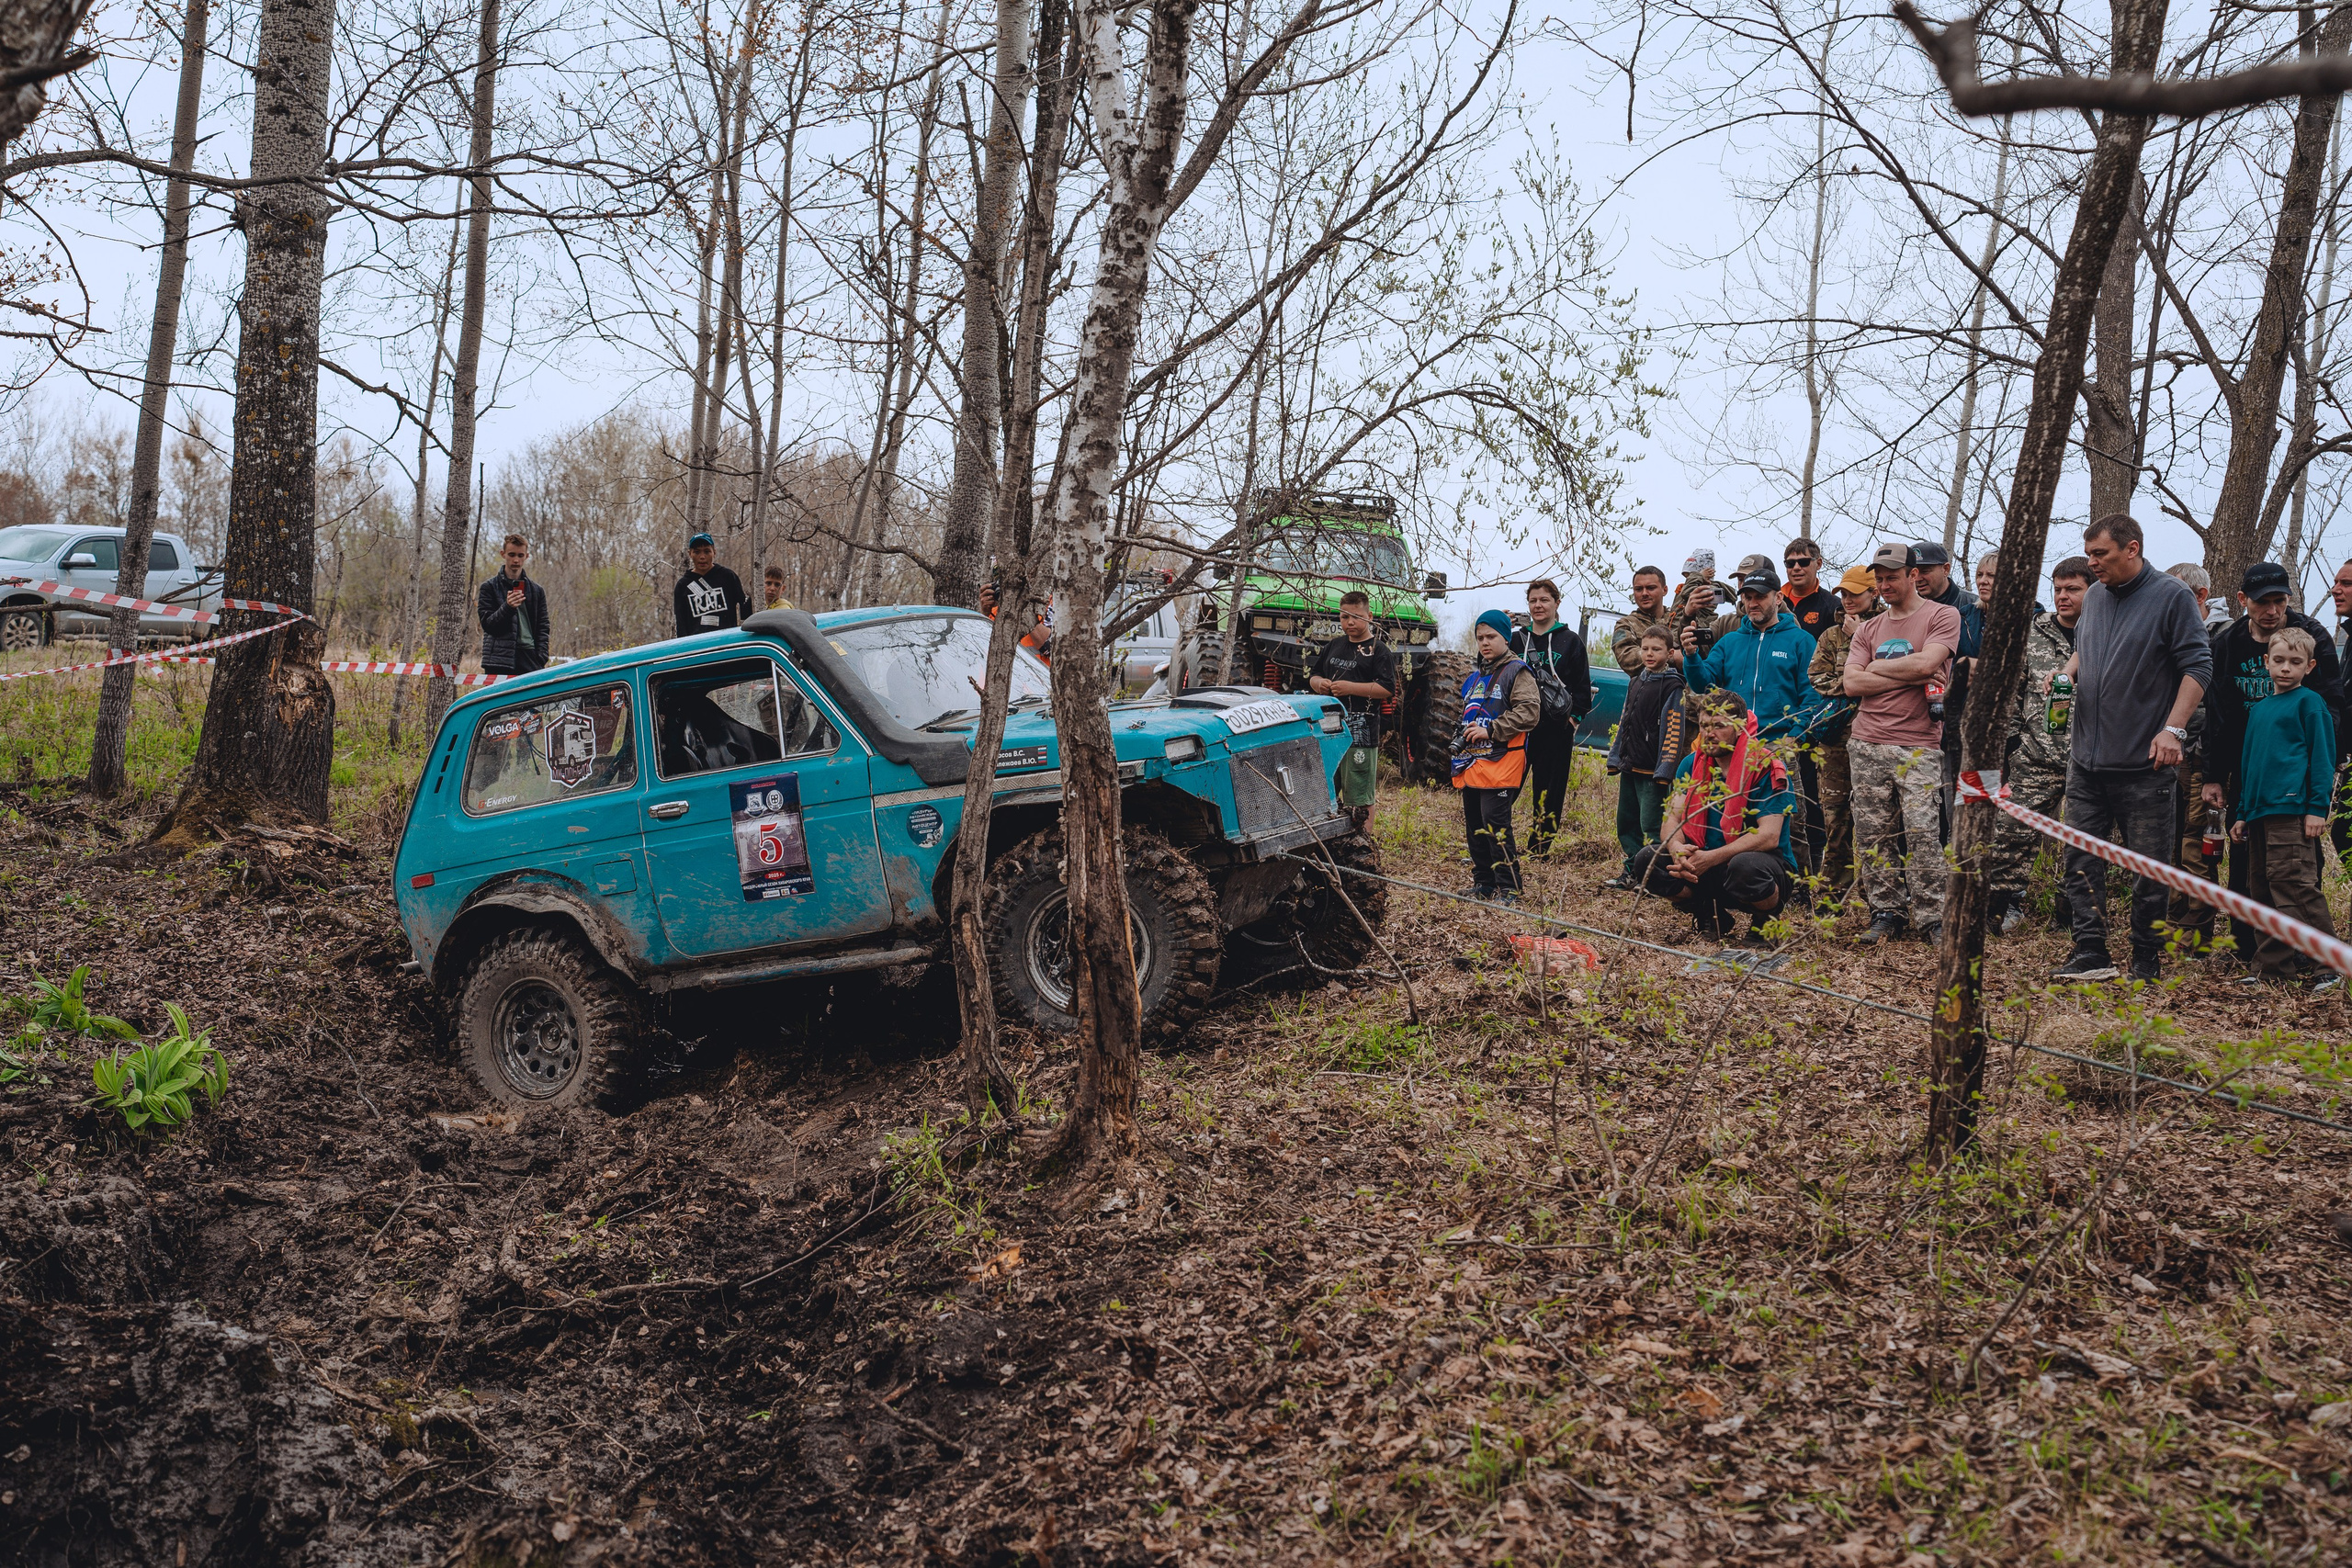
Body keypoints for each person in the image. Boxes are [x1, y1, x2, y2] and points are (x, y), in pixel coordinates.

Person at [2050, 513, 2213, 983]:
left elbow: (2198, 667)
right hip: (2086, 760)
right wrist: (2068, 671)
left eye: (2101, 554)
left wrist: (2173, 730)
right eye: (2090, 553)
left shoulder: (2172, 597)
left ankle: (2146, 958)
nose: (2092, 563)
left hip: (2144, 762)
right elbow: (2086, 645)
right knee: (2080, 858)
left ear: (2132, 549)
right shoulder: (2096, 596)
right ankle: (2091, 952)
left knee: (2149, 868)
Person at [2199, 561, 2346, 962]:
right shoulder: (2228, 643)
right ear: (2243, 600)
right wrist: (2215, 776)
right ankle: (2257, 955)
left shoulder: (2309, 637)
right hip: (2251, 778)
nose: (2272, 610)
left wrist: (2316, 784)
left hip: (2295, 780)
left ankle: (2315, 958)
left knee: (2298, 874)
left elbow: (2332, 707)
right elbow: (2220, 714)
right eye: (2263, 602)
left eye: (2279, 601)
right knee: (2251, 873)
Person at [1843, 543, 1963, 945]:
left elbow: (1930, 663)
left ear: (1913, 574)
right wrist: (1907, 673)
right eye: (1879, 578)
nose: (1884, 584)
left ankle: (1933, 917)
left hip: (1918, 744)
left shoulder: (1942, 615)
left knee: (1923, 832)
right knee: (1873, 834)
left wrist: (1878, 666)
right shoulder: (1868, 628)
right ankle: (1887, 913)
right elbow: (1851, 683)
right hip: (1867, 742)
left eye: (1892, 576)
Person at [1630, 690, 1799, 942]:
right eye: (1704, 725)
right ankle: (1710, 913)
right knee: (1648, 860)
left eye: (1719, 726)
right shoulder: (1691, 763)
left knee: (1746, 867)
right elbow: (1672, 820)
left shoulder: (1766, 766)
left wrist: (1710, 858)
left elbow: (1769, 836)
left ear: (1741, 727)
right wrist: (1676, 847)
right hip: (1703, 860)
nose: (1709, 733)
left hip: (1760, 865)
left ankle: (1765, 921)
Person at [2225, 626, 2341, 988]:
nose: (2286, 668)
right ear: (2266, 662)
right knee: (2262, 890)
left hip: (2293, 812)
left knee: (2295, 888)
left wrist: (2316, 809)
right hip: (2258, 814)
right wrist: (2242, 812)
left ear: (2309, 666)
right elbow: (2248, 765)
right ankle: (2273, 970)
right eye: (2279, 661)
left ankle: (2331, 965)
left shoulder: (2310, 703)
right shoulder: (2259, 710)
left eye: (2295, 662)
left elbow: (2323, 758)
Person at [1985, 558, 2090, 935]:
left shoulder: (2107, 633)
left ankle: (2070, 917)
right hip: (2036, 757)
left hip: (2090, 761)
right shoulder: (2032, 633)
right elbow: (2011, 693)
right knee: (2009, 832)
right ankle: (2000, 910)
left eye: (2073, 589)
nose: (2062, 597)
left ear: (2092, 591)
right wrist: (2013, 745)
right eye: (2058, 589)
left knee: (2082, 843)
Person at [1453, 609, 1541, 904]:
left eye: (1491, 636)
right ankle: (1484, 883)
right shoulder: (1477, 676)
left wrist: (1491, 729)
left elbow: (1529, 713)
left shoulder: (1518, 671)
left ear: (1506, 637)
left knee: (1495, 823)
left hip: (1504, 760)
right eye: (1480, 637)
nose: (1485, 642)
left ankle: (1509, 887)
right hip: (1473, 762)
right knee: (1475, 823)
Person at [1805, 564, 1879, 899]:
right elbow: (1817, 677)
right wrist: (1853, 685)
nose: (1848, 599)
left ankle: (1874, 891)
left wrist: (1859, 637)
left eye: (1855, 593)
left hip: (1876, 734)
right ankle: (1835, 890)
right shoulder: (1830, 635)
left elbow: (1895, 674)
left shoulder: (1886, 627)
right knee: (1835, 816)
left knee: (1874, 817)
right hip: (1835, 738)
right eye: (1844, 593)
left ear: (1873, 592)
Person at [1514, 578, 1594, 854]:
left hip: (1555, 729)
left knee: (1548, 791)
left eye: (1544, 599)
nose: (1538, 605)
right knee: (1505, 785)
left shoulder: (1570, 641)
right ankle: (1497, 842)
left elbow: (1583, 688)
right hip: (1517, 726)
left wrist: (1572, 721)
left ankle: (1538, 849)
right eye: (1533, 600)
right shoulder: (1516, 639)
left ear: (1557, 603)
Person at [1603, 624, 1686, 888]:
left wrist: (1665, 769)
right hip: (1630, 765)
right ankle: (1630, 870)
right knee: (1626, 822)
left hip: (1652, 770)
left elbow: (1674, 730)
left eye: (1656, 650)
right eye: (1645, 649)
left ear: (1670, 652)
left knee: (1650, 824)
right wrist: (1616, 757)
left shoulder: (1673, 686)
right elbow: (1624, 721)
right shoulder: (1636, 681)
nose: (1649, 654)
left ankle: (1651, 875)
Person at [1306, 591, 1397, 830]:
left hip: (1362, 733)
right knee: (1323, 787)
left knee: (1359, 792)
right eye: (1344, 617)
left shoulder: (1379, 651)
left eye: (1356, 617)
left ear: (1369, 616)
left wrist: (1350, 688)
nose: (1350, 623)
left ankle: (1364, 842)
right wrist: (1320, 684)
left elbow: (1387, 688)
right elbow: (1313, 676)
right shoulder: (1334, 646)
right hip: (1328, 730)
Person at [1937, 553, 1991, 841]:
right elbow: (1946, 662)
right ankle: (1958, 875)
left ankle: (1990, 880)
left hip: (1997, 732)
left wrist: (1976, 665)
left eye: (1991, 576)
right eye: (1980, 575)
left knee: (1985, 807)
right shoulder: (1965, 615)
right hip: (1956, 727)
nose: (1983, 581)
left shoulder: (2028, 615)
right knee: (1955, 809)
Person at [476, 533, 550, 677]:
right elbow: (488, 625)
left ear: (526, 556)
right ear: (503, 554)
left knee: (531, 700)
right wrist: (507, 607)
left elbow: (543, 626)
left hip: (530, 656)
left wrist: (541, 655)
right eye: (512, 554)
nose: (516, 559)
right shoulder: (489, 587)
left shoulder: (536, 590)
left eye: (520, 555)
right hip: (499, 659)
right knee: (499, 700)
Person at [674, 532, 749, 637]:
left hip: (726, 642)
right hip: (696, 646)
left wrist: (756, 594)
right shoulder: (683, 585)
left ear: (714, 552)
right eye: (697, 552)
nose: (702, 557)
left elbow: (745, 613)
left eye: (707, 551)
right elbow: (681, 626)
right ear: (690, 553)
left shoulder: (728, 576)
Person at [1611, 565, 1671, 673]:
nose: (1644, 593)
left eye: (1651, 588)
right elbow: (1626, 658)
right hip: (1647, 687)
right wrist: (1671, 656)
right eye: (1638, 589)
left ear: (1665, 590)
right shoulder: (1626, 624)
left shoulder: (1678, 619)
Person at [1781, 537, 1839, 639]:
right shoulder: (1774, 602)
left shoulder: (1834, 607)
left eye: (1803, 562)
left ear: (1819, 563)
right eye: (1790, 563)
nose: (1796, 567)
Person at [1915, 540, 1976, 609]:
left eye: (1925, 571)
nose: (1917, 579)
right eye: (1913, 574)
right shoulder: (1904, 609)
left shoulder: (1975, 606)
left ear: (1946, 569)